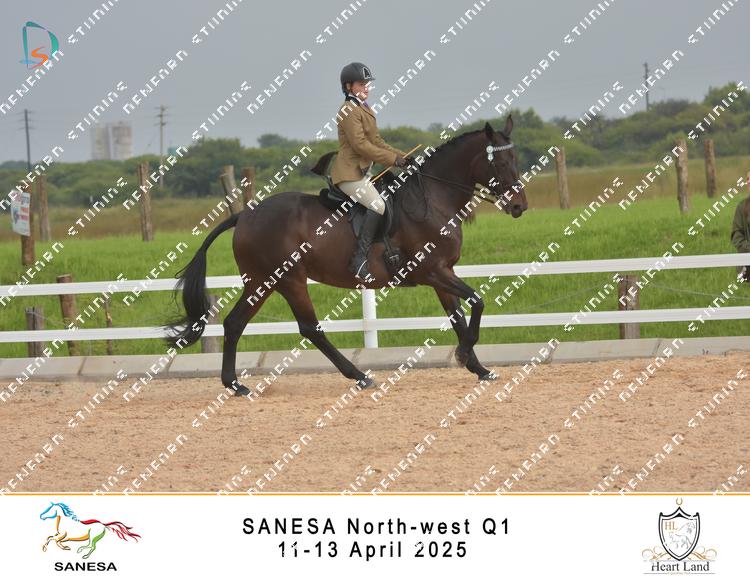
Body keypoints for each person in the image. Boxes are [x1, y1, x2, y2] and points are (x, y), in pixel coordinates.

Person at [330, 62, 409, 282]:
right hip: (349, 174)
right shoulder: (348, 110)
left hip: (363, 172)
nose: (366, 87)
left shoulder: (364, 108)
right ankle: (359, 259)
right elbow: (361, 145)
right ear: (348, 86)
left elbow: (377, 141)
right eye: (361, 84)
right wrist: (392, 160)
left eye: (367, 84)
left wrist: (404, 157)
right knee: (377, 205)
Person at [731, 169, 750, 282]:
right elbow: (736, 235)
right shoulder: (742, 207)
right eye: (747, 179)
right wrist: (747, 248)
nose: (749, 181)